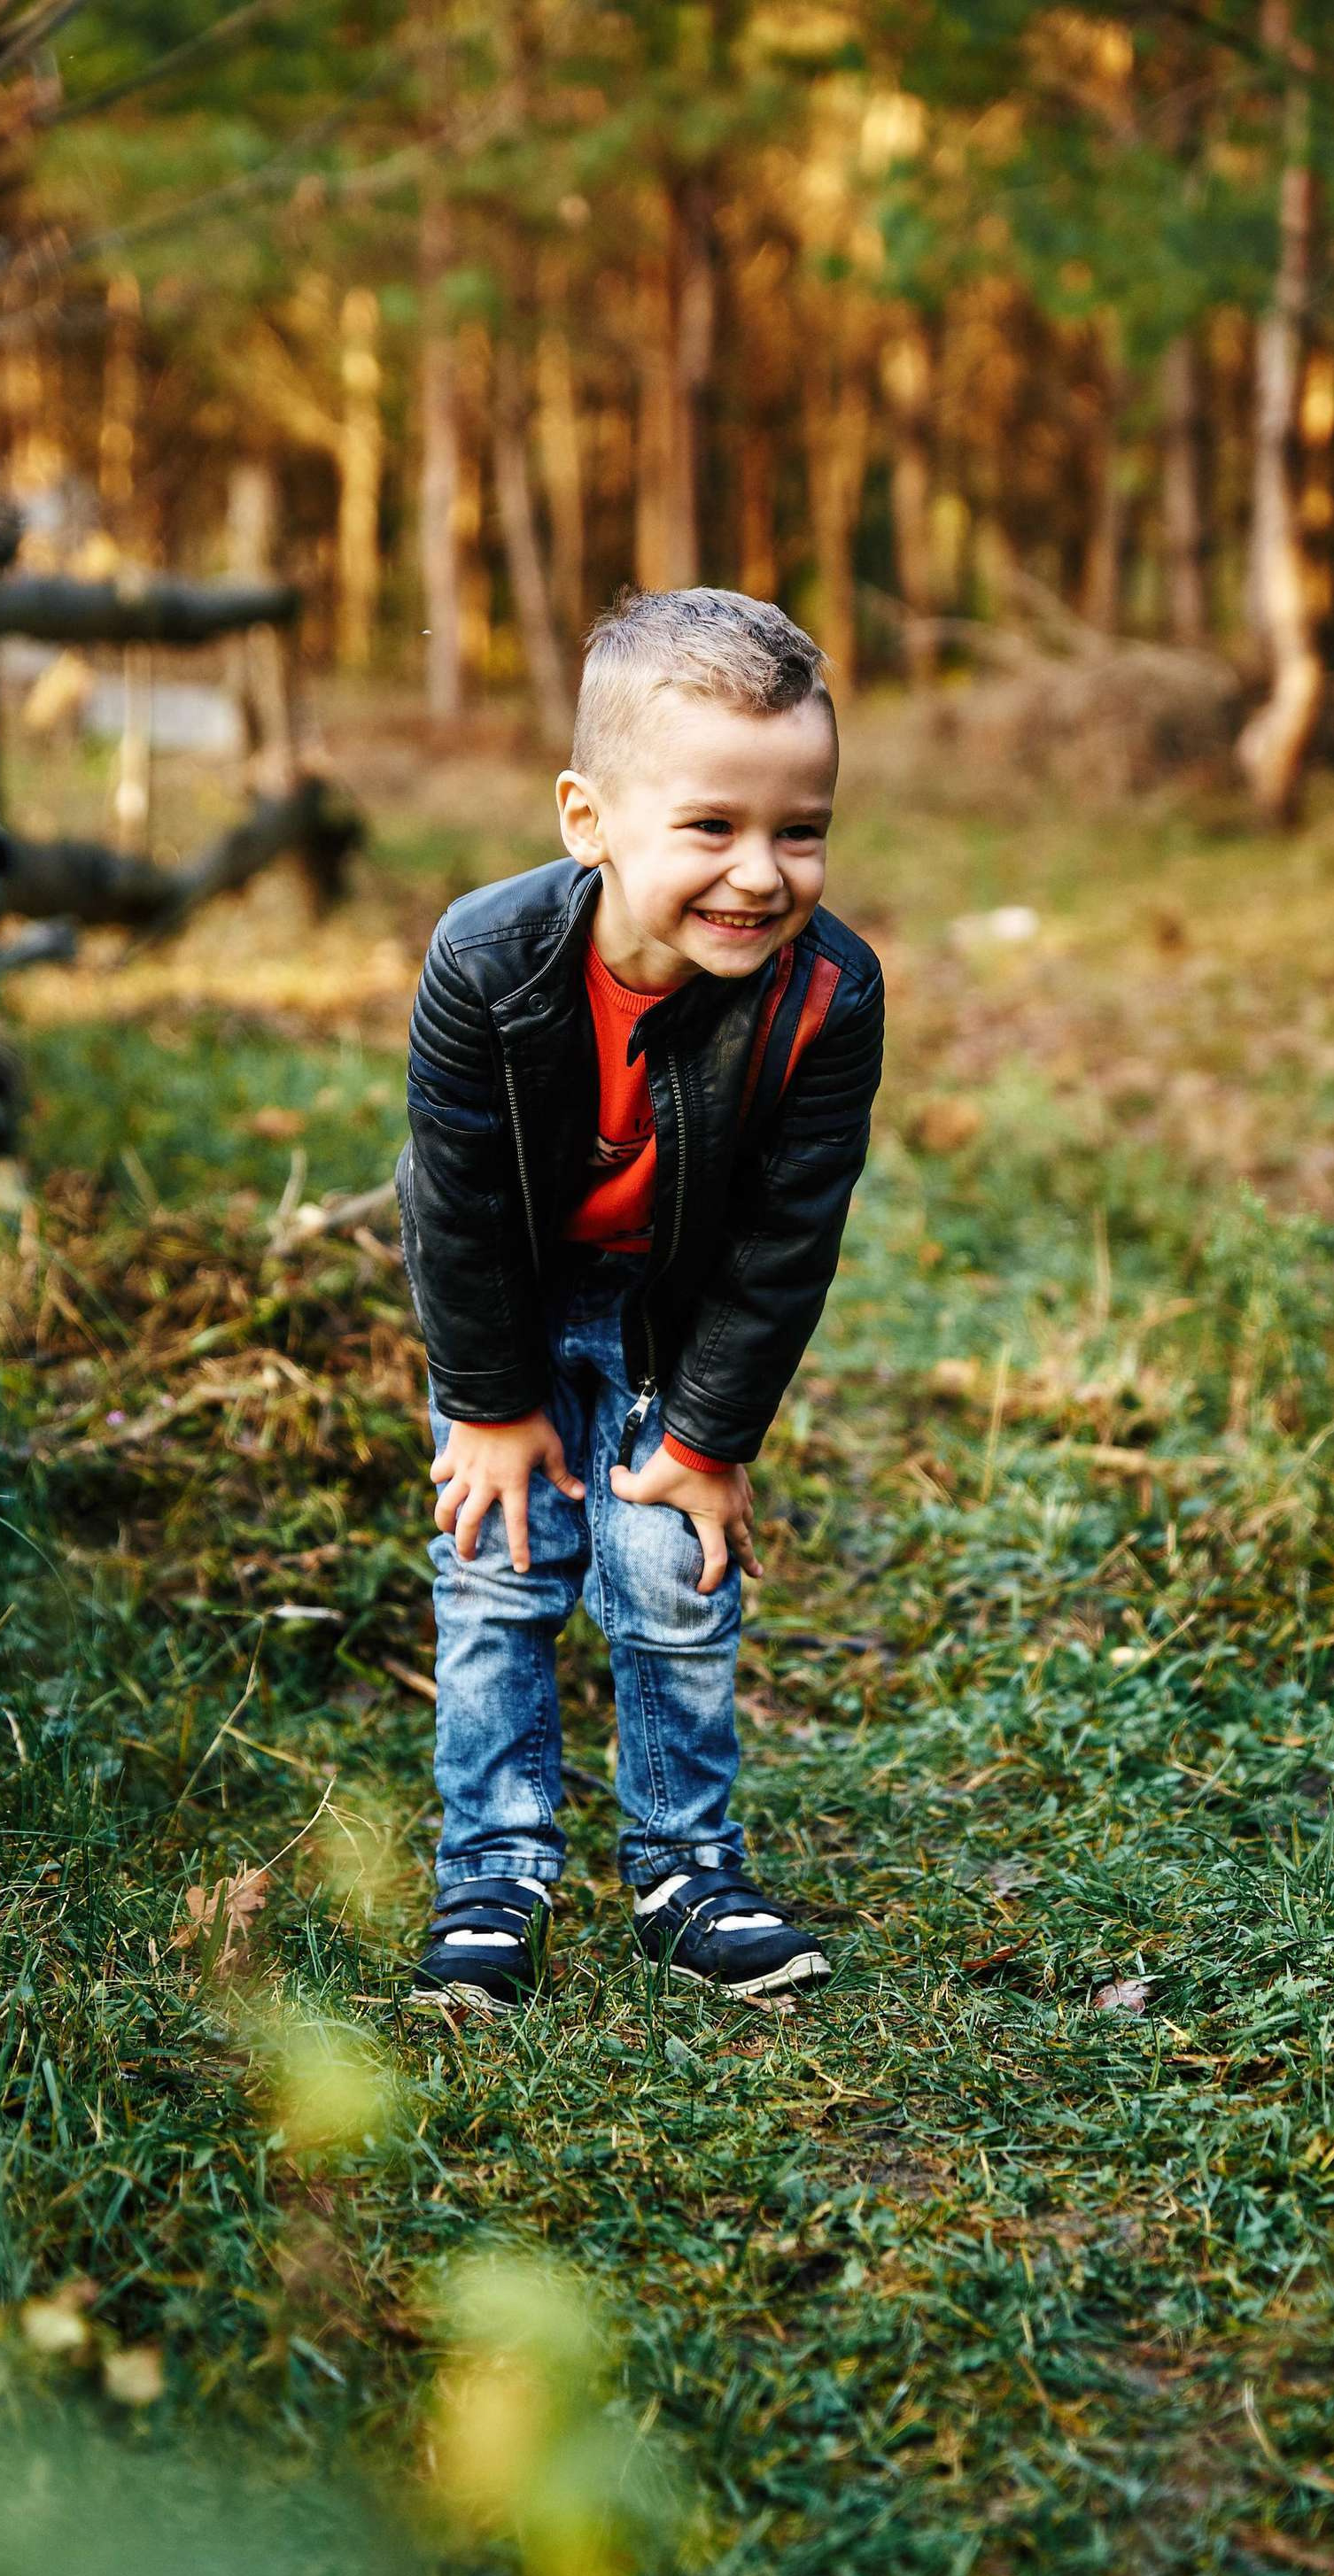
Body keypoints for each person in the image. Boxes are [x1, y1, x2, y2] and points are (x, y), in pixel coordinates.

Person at [395, 587, 883, 2012]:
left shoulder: (828, 996)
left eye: (801, 831)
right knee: (496, 1574)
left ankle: (686, 1867)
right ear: (587, 819)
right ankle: (493, 1871)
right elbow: (456, 1201)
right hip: (516, 1304)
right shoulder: (485, 961)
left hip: (683, 1314)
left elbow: (790, 1241)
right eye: (712, 828)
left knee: (674, 1577)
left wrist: (708, 1435)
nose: (761, 874)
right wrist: (489, 1406)